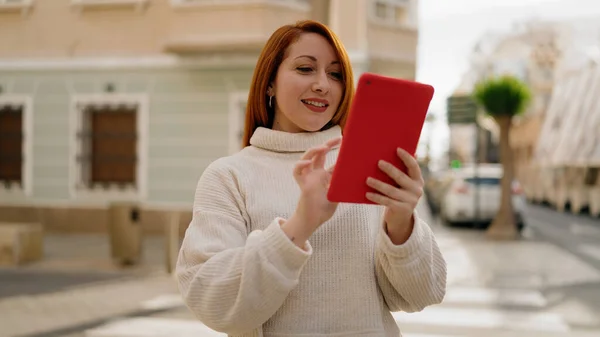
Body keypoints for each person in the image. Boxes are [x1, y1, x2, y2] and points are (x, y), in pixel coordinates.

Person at [176, 20, 447, 337]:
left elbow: (422, 295)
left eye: (335, 74)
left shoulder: (373, 167)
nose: (323, 85)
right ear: (269, 83)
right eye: (305, 68)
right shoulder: (228, 176)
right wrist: (300, 225)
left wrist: (401, 223)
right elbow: (213, 302)